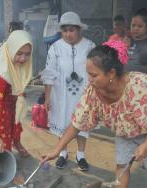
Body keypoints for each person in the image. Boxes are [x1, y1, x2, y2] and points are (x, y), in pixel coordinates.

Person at [41, 41, 147, 188]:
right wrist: (58, 148)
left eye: (94, 75)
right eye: (88, 74)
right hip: (125, 128)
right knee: (122, 165)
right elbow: (77, 122)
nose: (89, 80)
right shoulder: (93, 91)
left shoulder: (138, 85)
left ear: (111, 73)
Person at [41, 11, 95, 171]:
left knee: (82, 125)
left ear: (79, 30)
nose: (68, 34)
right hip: (60, 94)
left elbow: (96, 69)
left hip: (83, 94)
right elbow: (49, 73)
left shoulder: (90, 46)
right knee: (62, 121)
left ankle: (81, 155)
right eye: (65, 30)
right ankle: (62, 153)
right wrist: (47, 97)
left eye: (72, 30)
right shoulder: (56, 48)